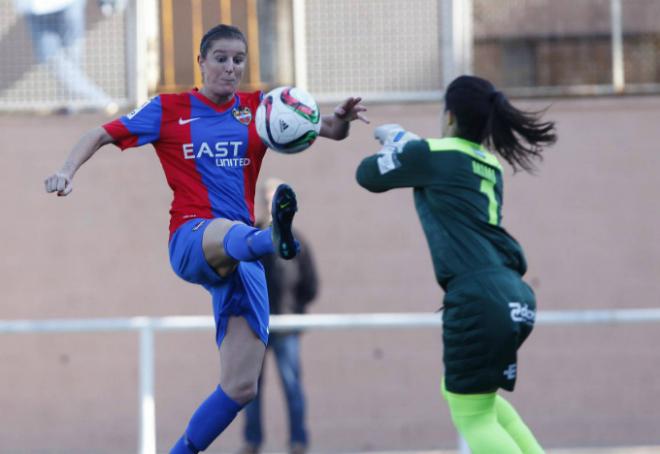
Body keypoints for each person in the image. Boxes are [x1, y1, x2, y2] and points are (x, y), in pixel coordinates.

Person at [44, 24, 367, 454]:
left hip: (243, 256)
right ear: (201, 62)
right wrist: (67, 169)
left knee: (240, 387)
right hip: (193, 238)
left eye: (238, 60)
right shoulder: (169, 109)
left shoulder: (260, 108)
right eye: (221, 58)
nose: (230, 68)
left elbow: (322, 129)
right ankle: (275, 238)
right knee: (235, 232)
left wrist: (341, 121)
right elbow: (101, 133)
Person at [355, 75, 556, 454]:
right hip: (513, 293)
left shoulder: (432, 153)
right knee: (476, 400)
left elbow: (366, 176)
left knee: (472, 416)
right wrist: (409, 147)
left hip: (477, 298)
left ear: (449, 116)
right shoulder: (489, 164)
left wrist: (399, 144)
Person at [239, 178, 318, 454]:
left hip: (286, 330)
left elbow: (310, 285)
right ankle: (252, 442)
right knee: (249, 389)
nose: (271, 204)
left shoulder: (297, 242)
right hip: (255, 329)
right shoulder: (249, 239)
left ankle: (298, 442)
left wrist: (293, 313)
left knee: (292, 386)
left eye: (275, 198)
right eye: (266, 198)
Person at [14, 0, 117, 113]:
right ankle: (98, 100)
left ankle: (79, 103)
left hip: (68, 4)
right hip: (34, 8)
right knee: (52, 58)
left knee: (72, 54)